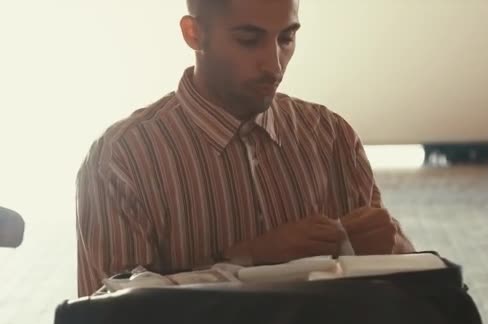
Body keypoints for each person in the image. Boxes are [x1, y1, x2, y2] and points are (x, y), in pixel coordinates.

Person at [76, 0, 415, 296]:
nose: (274, 64)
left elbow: (395, 299)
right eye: (248, 40)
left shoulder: (331, 137)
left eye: (287, 38)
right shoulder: (121, 163)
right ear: (193, 34)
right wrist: (244, 263)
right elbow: (111, 322)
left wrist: (398, 250)